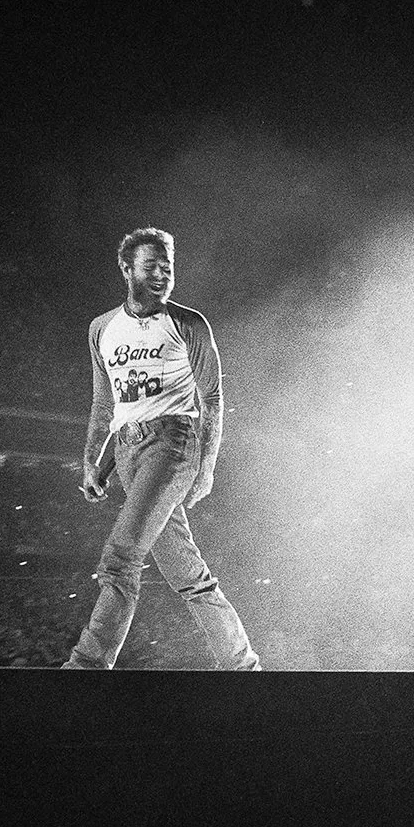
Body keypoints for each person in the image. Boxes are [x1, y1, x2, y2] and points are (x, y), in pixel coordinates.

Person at [62, 226, 261, 670]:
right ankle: (242, 664)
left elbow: (211, 399)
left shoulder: (188, 324)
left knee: (120, 559)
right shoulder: (101, 329)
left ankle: (86, 666)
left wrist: (206, 467)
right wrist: (94, 462)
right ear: (127, 268)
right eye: (151, 266)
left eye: (167, 267)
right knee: (187, 574)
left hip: (173, 444)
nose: (161, 274)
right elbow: (105, 402)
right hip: (129, 451)